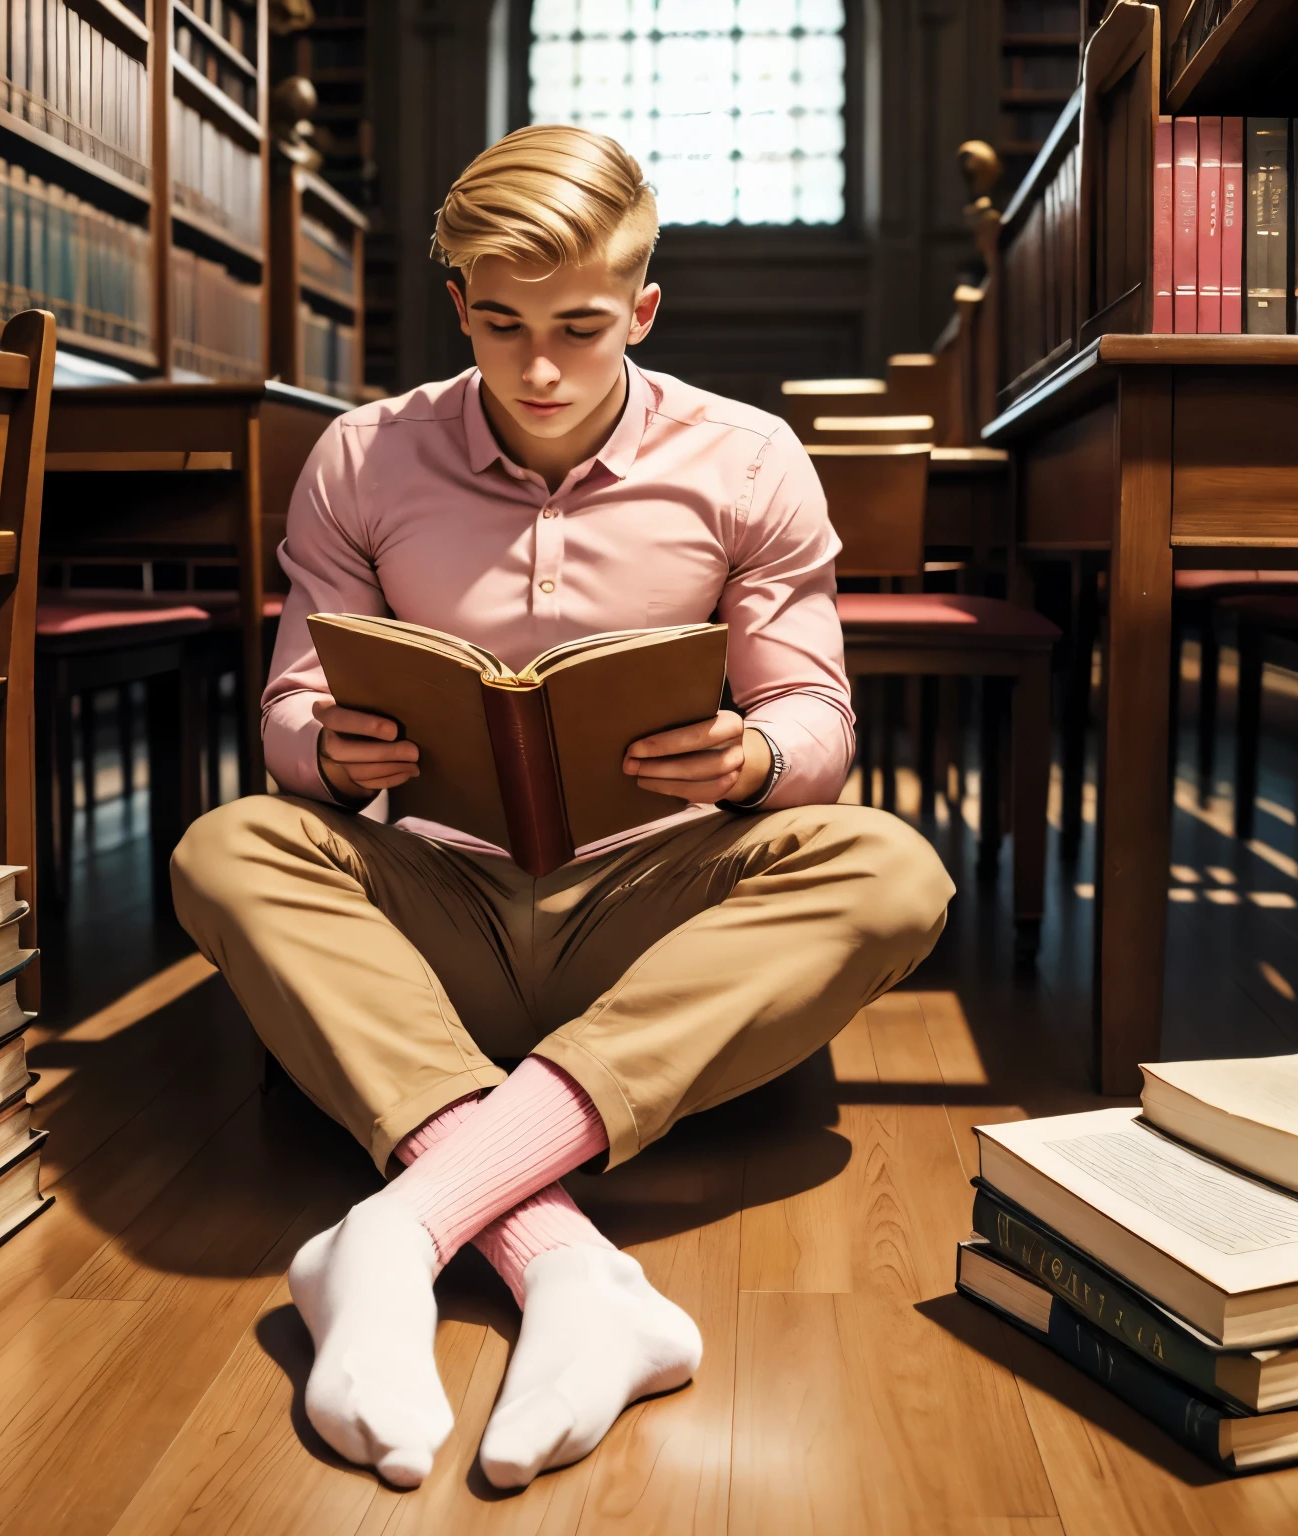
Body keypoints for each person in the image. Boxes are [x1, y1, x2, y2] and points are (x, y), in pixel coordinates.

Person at [172, 124, 954, 1491]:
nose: (539, 368)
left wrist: (752, 760)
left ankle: (399, 1224)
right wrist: (333, 755)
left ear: (643, 309)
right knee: (225, 848)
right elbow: (289, 711)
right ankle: (568, 1268)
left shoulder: (750, 459)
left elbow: (817, 719)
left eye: (583, 327)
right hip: (442, 915)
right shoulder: (362, 458)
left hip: (650, 919)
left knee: (889, 869)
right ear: (459, 302)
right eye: (505, 323)